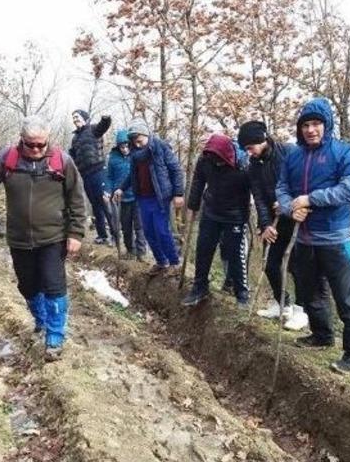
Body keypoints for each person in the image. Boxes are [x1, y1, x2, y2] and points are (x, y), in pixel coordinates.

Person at [0, 116, 86, 362]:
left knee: (54, 285)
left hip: (53, 237)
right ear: (21, 140)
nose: (36, 149)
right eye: (30, 144)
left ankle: (55, 337)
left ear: (48, 141)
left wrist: (76, 233)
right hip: (19, 238)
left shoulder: (62, 162)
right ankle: (40, 320)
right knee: (28, 285)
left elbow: (77, 199)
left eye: (41, 145)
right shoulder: (7, 159)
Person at [275, 98, 350, 374]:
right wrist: (288, 208)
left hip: (335, 239)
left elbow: (348, 191)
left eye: (316, 123)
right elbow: (282, 188)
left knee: (346, 297)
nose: (310, 130)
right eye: (305, 125)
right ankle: (321, 335)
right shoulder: (293, 156)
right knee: (309, 292)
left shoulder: (344, 153)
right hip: (303, 238)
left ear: (326, 124)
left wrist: (310, 199)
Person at [238, 120, 313, 331]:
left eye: (250, 147)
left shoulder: (289, 152)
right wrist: (264, 225)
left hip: (296, 218)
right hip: (273, 220)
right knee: (270, 264)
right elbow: (259, 196)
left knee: (297, 267)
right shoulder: (254, 165)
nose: (249, 153)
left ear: (261, 140)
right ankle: (282, 304)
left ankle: (301, 311)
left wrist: (287, 203)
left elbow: (303, 182)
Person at [183, 133, 251, 307]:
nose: (217, 163)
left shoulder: (243, 164)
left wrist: (262, 221)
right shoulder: (205, 160)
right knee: (203, 248)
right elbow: (198, 180)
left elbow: (256, 189)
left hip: (235, 215)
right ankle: (200, 287)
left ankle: (241, 292)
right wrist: (193, 205)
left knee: (235, 253)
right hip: (211, 210)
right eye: (214, 160)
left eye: (220, 160)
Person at [113, 118, 184, 274]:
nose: (137, 145)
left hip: (160, 196)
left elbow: (176, 169)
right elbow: (133, 175)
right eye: (134, 142)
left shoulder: (160, 147)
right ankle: (161, 262)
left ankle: (174, 263)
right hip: (143, 197)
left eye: (140, 141)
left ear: (147, 135)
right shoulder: (134, 154)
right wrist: (121, 188)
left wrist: (179, 193)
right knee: (148, 231)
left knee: (161, 230)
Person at [68, 109, 115, 245]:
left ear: (85, 118)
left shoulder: (93, 129)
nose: (75, 119)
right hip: (86, 175)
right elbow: (71, 156)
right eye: (73, 117)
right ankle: (102, 235)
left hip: (99, 171)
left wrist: (106, 118)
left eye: (77, 117)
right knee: (95, 205)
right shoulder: (75, 138)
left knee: (105, 202)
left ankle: (114, 235)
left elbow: (104, 126)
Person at [105, 129, 147, 260]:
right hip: (121, 199)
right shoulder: (112, 158)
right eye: (121, 147)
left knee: (139, 226)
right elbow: (109, 177)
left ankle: (141, 253)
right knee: (126, 227)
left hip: (138, 197)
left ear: (130, 144)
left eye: (127, 146)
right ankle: (130, 250)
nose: (124, 149)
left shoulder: (137, 155)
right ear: (118, 146)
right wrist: (108, 191)